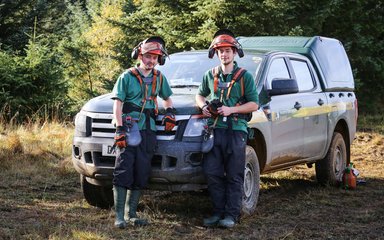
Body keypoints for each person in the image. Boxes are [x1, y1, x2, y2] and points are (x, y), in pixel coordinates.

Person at [195, 29, 259, 228]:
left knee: (233, 173)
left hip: (236, 130)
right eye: (220, 51)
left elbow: (254, 104)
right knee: (212, 173)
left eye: (228, 51)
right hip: (214, 130)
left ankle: (231, 215)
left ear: (234, 53)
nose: (224, 54)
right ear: (216, 53)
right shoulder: (210, 75)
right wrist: (204, 106)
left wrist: (231, 109)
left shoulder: (244, 77)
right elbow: (199, 95)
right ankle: (217, 212)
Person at [111, 36, 176, 228]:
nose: (151, 61)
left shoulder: (159, 78)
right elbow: (117, 104)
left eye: (155, 58)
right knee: (123, 170)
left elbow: (167, 98)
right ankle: (119, 217)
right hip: (130, 128)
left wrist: (169, 112)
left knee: (142, 171)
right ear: (139, 55)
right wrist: (119, 128)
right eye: (148, 56)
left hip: (149, 130)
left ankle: (131, 215)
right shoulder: (127, 76)